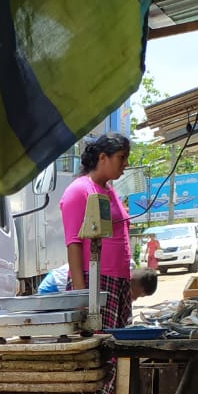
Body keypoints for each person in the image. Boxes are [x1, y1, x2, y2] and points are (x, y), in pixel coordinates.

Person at [58, 134, 132, 324]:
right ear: (102, 158)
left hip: (118, 281)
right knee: (98, 344)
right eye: (121, 157)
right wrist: (81, 294)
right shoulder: (79, 190)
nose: (125, 163)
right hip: (95, 281)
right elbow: (73, 243)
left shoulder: (109, 190)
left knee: (115, 345)